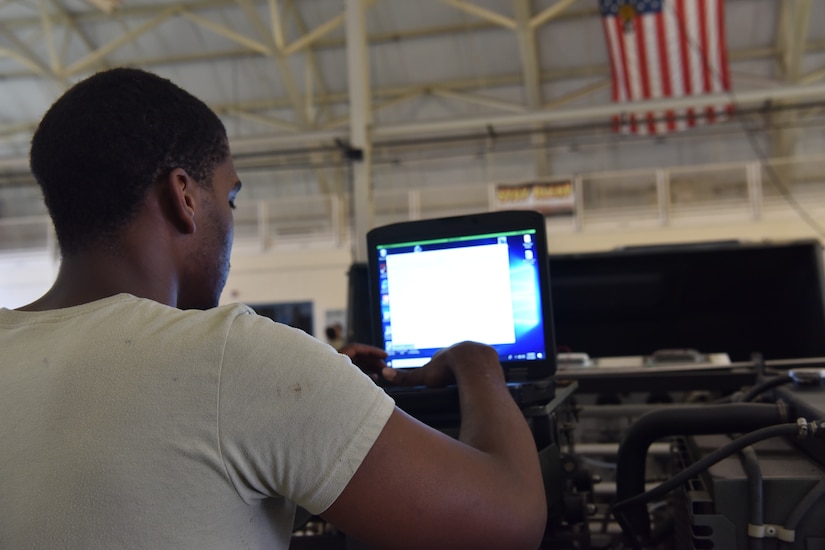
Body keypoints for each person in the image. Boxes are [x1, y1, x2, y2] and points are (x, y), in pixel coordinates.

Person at [0, 68, 546, 549]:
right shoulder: (231, 358)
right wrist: (479, 367)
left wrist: (330, 398)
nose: (231, 219)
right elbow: (512, 518)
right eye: (230, 197)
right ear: (183, 197)